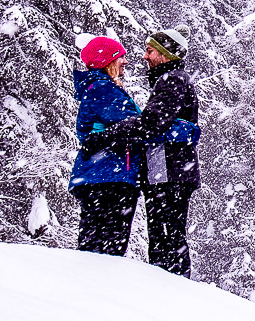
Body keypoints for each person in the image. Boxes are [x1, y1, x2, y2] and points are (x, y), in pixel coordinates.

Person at [84, 28, 199, 277]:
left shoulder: (173, 80)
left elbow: (151, 124)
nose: (144, 57)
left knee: (166, 236)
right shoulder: (168, 80)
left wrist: (104, 137)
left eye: (150, 51)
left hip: (169, 172)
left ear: (165, 55)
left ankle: (171, 287)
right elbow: (158, 124)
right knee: (165, 234)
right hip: (166, 171)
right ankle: (168, 284)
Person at [68, 35, 142, 255]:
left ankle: (92, 283)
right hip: (108, 176)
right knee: (107, 248)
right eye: (120, 57)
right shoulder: (103, 88)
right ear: (107, 60)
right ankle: (96, 285)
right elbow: (133, 125)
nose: (125, 62)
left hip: (100, 176)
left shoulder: (99, 88)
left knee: (96, 243)